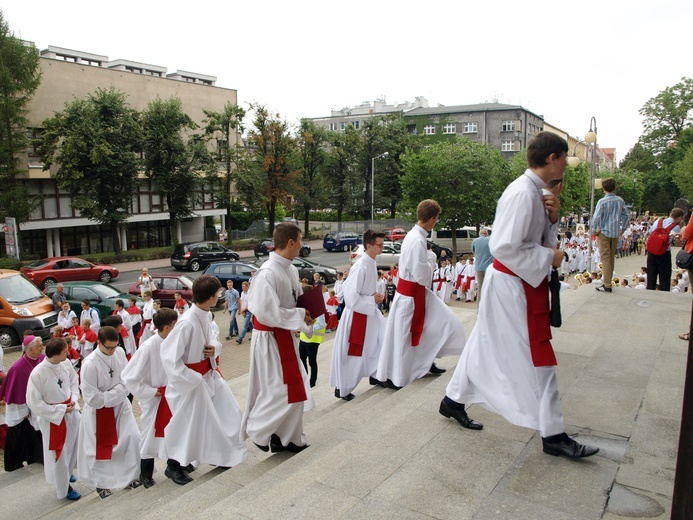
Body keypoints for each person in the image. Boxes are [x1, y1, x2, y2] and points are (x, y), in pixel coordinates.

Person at [443, 132, 599, 458]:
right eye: (564, 159)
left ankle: (453, 400)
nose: (566, 168)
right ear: (552, 158)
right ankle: (553, 433)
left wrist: (553, 219)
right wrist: (550, 258)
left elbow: (530, 237)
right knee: (537, 356)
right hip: (514, 286)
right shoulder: (522, 193)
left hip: (515, 283)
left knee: (484, 342)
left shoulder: (533, 192)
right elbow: (504, 246)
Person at [160, 275, 248, 483]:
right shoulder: (187, 323)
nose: (219, 297)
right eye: (217, 294)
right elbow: (168, 355)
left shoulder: (206, 315)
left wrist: (214, 348)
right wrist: (191, 378)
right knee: (189, 423)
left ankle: (223, 453)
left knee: (228, 410)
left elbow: (213, 339)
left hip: (208, 374)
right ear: (210, 297)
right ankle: (173, 465)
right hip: (191, 382)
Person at [376, 200, 466, 389]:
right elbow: (421, 275)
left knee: (442, 324)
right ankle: (398, 376)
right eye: (437, 219)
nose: (437, 222)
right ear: (432, 218)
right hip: (411, 296)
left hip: (414, 294)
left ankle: (426, 361)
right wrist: (432, 261)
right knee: (404, 337)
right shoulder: (417, 239)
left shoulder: (413, 235)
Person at [242, 222, 315, 454]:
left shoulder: (291, 269)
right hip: (269, 339)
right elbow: (267, 313)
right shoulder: (267, 273)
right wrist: (300, 315)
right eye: (301, 240)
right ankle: (258, 429)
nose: (303, 244)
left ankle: (288, 438)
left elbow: (296, 300)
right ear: (291, 242)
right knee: (279, 390)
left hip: (284, 336)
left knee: (296, 388)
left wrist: (309, 313)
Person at [77, 326, 141, 498]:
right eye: (109, 347)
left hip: (121, 407)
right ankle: (102, 484)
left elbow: (127, 378)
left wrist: (115, 393)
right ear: (99, 343)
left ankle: (130, 477)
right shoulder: (89, 364)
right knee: (101, 449)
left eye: (115, 346)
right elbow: (92, 398)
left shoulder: (119, 353)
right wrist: (118, 392)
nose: (113, 350)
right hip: (100, 413)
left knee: (131, 439)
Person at [122, 308, 179, 488]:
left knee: (175, 431)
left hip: (172, 396)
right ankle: (145, 474)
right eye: (175, 325)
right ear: (167, 327)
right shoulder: (148, 347)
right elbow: (128, 376)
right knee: (149, 437)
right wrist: (150, 391)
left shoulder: (173, 341)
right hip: (154, 399)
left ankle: (175, 466)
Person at [330, 230, 387, 401]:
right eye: (380, 244)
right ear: (369, 246)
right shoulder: (360, 266)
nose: (383, 247)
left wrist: (374, 297)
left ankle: (377, 373)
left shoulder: (371, 262)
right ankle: (343, 387)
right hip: (357, 315)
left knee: (380, 342)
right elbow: (351, 298)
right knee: (353, 353)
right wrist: (372, 299)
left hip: (369, 313)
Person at [26, 338, 81, 500]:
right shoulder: (38, 373)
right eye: (65, 351)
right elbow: (33, 402)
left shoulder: (66, 364)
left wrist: (74, 399)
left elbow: (73, 381)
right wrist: (60, 409)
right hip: (54, 420)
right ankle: (64, 487)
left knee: (73, 448)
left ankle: (67, 471)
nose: (68, 353)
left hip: (71, 413)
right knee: (59, 454)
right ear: (56, 354)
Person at [0, 336, 45, 471]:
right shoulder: (17, 368)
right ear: (30, 348)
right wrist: (25, 410)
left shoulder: (42, 360)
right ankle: (13, 465)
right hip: (21, 408)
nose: (42, 347)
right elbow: (14, 393)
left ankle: (36, 457)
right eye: (39, 345)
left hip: (37, 406)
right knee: (17, 436)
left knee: (36, 434)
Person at [591, 177, 629, 293]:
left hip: (604, 232)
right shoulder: (620, 200)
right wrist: (623, 228)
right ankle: (609, 281)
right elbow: (626, 216)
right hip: (615, 232)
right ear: (614, 188)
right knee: (611, 257)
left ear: (603, 188)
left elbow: (596, 217)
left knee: (605, 258)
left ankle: (607, 284)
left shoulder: (602, 202)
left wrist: (594, 230)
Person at [646, 208, 684, 291]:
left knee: (651, 277)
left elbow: (650, 232)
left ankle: (649, 295)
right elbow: (675, 240)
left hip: (652, 252)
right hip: (664, 253)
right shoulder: (676, 227)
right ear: (679, 218)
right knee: (664, 279)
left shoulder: (658, 221)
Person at [298, 294, 326, 388]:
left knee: (312, 362)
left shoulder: (318, 310)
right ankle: (305, 379)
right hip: (303, 338)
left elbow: (322, 325)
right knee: (302, 360)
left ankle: (312, 382)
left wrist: (310, 326)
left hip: (313, 340)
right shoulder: (305, 308)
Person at [472, 228, 493, 304]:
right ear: (486, 234)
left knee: (480, 288)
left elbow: (473, 252)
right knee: (489, 287)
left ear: (479, 234)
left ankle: (479, 307)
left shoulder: (475, 241)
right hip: (489, 267)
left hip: (479, 267)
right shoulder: (490, 240)